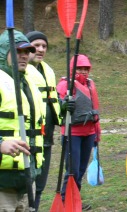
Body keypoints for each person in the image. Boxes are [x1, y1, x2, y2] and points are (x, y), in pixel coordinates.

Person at [0, 30, 44, 211]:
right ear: (4, 53)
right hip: (3, 183)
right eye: (18, 51)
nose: (24, 56)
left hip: (27, 177)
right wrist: (0, 143)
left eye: (27, 52)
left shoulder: (29, 84)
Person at [57, 54, 101, 210]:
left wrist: (97, 133)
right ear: (72, 69)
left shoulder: (90, 84)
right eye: (79, 68)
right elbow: (58, 107)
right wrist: (64, 104)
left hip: (89, 133)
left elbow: (94, 111)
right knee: (73, 170)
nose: (83, 71)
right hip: (72, 134)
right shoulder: (65, 85)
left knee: (81, 169)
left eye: (85, 69)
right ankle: (64, 201)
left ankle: (75, 200)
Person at [25, 31, 62, 210]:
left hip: (45, 137)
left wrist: (63, 105)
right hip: (27, 139)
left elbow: (50, 102)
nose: (40, 49)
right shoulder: (19, 70)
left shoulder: (47, 71)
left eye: (44, 46)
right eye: (35, 45)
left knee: (40, 185)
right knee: (26, 185)